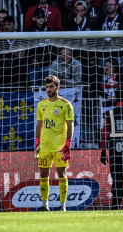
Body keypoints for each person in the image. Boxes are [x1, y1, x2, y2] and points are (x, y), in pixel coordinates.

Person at [35, 75, 74, 211]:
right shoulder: (41, 104)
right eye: (47, 87)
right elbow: (39, 124)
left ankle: (62, 206)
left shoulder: (65, 104)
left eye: (51, 87)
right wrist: (37, 142)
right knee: (43, 174)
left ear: (57, 87)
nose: (49, 89)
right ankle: (44, 205)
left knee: (61, 174)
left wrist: (67, 145)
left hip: (59, 146)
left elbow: (70, 125)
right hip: (45, 146)